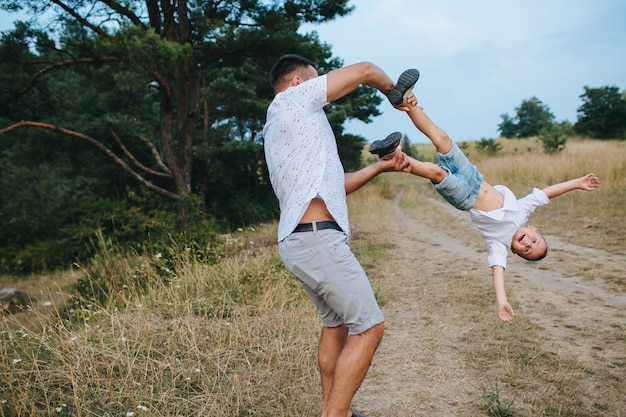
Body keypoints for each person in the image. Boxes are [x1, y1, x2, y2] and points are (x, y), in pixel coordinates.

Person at [262, 54, 418, 417]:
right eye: (316, 82)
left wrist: (380, 167)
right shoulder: (291, 100)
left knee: (336, 326)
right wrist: (393, 94)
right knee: (370, 328)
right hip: (316, 240)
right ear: (299, 83)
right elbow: (364, 70)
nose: (322, 90)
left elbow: (335, 187)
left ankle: (337, 413)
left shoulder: (285, 129)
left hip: (302, 240)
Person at [373, 97, 600, 322]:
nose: (528, 243)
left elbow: (497, 270)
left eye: (526, 250)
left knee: (436, 172)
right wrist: (577, 183)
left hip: (464, 195)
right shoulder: (522, 211)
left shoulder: (499, 243)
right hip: (473, 176)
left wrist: (502, 300)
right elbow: (546, 193)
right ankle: (407, 103)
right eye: (534, 241)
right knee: (442, 138)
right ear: (533, 228)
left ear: (514, 251)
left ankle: (394, 158)